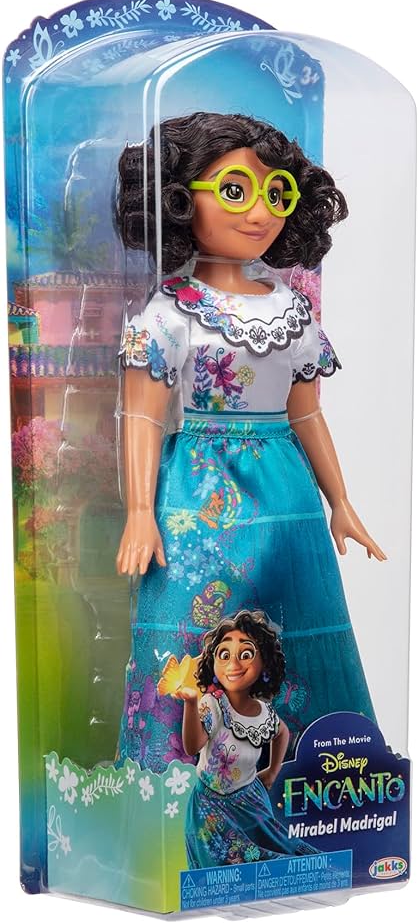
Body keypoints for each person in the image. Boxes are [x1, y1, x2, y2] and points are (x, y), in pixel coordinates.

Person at [114, 112, 386, 773]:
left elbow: (307, 414)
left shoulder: (291, 310)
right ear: (179, 200)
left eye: (275, 193)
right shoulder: (170, 311)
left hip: (287, 493)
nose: (259, 211)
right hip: (199, 490)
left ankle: (313, 772)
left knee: (301, 615)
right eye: (234, 191)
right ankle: (171, 780)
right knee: (192, 618)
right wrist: (140, 511)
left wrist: (341, 501)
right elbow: (142, 416)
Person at [174, 609, 319, 867]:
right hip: (209, 805)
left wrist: (272, 772)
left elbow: (282, 732)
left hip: (250, 802)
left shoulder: (263, 712)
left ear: (264, 661)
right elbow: (192, 746)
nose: (233, 664)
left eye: (246, 654)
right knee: (219, 865)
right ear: (213, 661)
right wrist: (191, 703)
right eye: (224, 654)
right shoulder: (213, 705)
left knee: (275, 852)